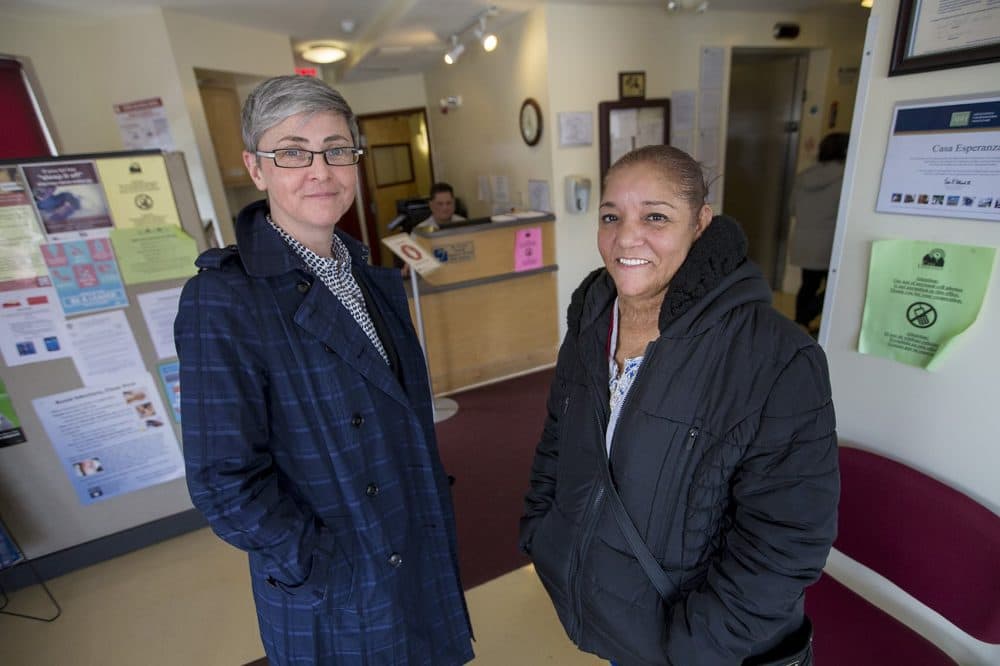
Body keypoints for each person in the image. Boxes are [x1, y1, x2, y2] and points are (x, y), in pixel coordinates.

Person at [174, 75, 473, 665]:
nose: (321, 170)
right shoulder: (224, 298)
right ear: (256, 169)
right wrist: (318, 562)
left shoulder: (364, 273)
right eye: (292, 152)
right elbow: (221, 481)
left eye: (338, 150)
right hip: (336, 579)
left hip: (410, 537)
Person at [520, 145, 838, 665]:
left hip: (700, 648)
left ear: (700, 222)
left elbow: (787, 539)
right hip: (615, 622)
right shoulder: (592, 316)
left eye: (655, 217)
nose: (627, 236)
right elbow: (561, 435)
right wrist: (543, 534)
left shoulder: (777, 356)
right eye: (611, 216)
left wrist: (693, 649)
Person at [789, 132, 849, 333]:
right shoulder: (848, 178)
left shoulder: (805, 176)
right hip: (829, 243)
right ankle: (807, 318)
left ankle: (800, 322)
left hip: (805, 241)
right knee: (835, 287)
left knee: (808, 285)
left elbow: (792, 209)